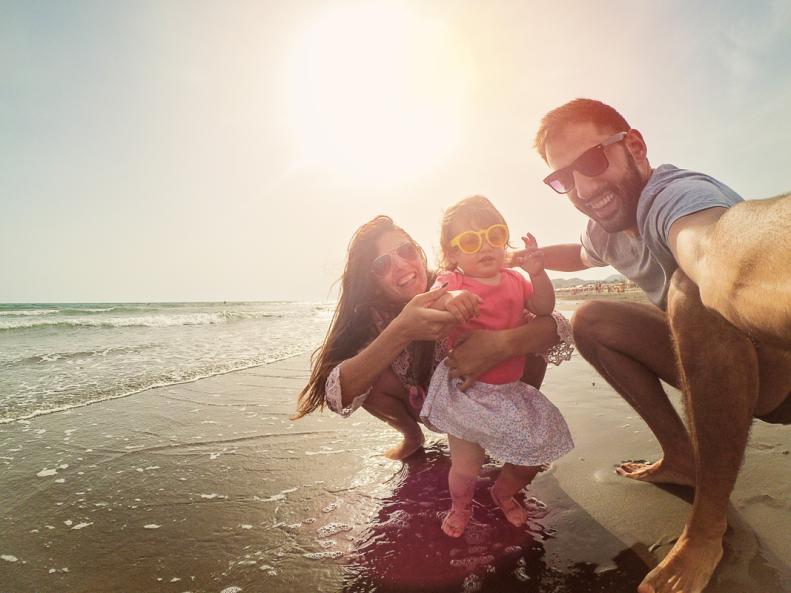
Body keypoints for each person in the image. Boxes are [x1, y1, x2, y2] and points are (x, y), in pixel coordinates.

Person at [533, 98, 791, 593]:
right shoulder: (603, 227)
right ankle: (680, 457)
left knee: (689, 290)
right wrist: (533, 257)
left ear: (633, 145)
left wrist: (736, 271)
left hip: (780, 374)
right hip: (725, 368)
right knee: (589, 319)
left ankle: (707, 529)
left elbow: (712, 244)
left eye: (591, 162)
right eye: (563, 179)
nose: (584, 189)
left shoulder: (673, 195)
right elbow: (584, 255)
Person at [293, 215, 574, 461]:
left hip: (490, 394)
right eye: (382, 264)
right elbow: (337, 393)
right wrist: (401, 330)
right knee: (369, 369)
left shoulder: (454, 281)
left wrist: (500, 345)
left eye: (406, 250)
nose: (402, 265)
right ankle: (412, 436)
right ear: (372, 282)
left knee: (526, 335)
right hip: (425, 403)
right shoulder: (371, 316)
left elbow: (557, 325)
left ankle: (518, 428)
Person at [419, 196, 574, 537]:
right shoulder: (454, 282)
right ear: (453, 253)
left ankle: (502, 491)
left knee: (532, 453)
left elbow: (545, 306)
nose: (485, 246)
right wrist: (451, 301)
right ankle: (461, 505)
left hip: (508, 391)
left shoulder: (516, 280)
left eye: (494, 234)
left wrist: (539, 273)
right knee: (465, 466)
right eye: (471, 241)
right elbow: (434, 301)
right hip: (466, 393)